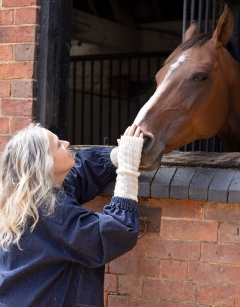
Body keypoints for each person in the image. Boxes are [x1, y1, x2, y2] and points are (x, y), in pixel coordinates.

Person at [0, 122, 144, 307]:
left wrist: (116, 156)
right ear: (44, 163)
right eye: (58, 145)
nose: (67, 143)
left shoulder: (26, 200)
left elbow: (77, 178)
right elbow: (117, 231)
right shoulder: (51, 212)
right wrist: (128, 168)